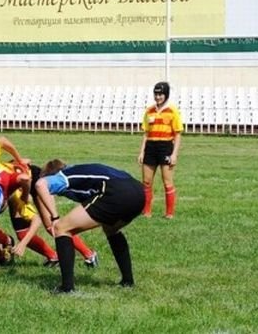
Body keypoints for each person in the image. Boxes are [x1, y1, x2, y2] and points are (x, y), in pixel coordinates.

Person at [31, 160, 145, 293]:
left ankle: (67, 288)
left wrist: (55, 217)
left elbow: (40, 185)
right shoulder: (83, 170)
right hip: (138, 192)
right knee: (111, 229)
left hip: (116, 192)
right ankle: (128, 281)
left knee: (61, 228)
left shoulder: (63, 176)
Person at [138, 81, 183, 218]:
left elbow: (178, 134)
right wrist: (142, 151)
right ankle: (146, 211)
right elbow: (146, 133)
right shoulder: (149, 111)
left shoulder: (172, 111)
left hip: (165, 147)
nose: (158, 97)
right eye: (156, 94)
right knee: (146, 181)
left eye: (161, 94)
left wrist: (174, 154)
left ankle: (169, 213)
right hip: (151, 147)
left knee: (167, 181)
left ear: (166, 95)